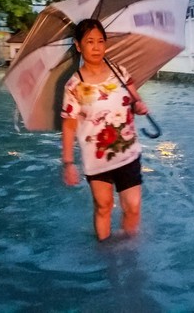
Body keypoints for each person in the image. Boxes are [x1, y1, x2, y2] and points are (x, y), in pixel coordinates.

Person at [60, 19, 149, 242]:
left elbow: (135, 99)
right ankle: (105, 253)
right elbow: (69, 124)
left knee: (134, 207)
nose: (97, 47)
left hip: (127, 152)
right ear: (78, 45)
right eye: (90, 41)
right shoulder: (74, 85)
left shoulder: (119, 71)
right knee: (103, 206)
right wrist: (68, 163)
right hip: (97, 158)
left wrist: (138, 105)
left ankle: (130, 250)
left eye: (101, 41)